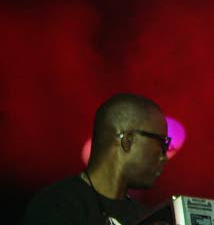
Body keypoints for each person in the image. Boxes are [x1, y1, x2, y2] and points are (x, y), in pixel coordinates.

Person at [20, 93, 170, 225]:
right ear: (128, 141)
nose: (164, 157)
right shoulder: (57, 205)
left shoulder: (143, 216)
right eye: (162, 143)